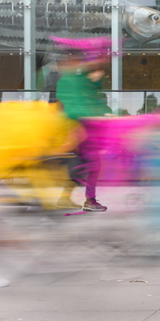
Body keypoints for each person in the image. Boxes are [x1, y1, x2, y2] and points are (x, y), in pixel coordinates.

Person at [55, 52, 112, 213]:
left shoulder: (91, 89)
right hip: (83, 134)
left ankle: (65, 198)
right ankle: (90, 201)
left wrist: (104, 114)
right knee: (93, 167)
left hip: (86, 134)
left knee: (79, 168)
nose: (100, 75)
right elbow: (74, 111)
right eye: (98, 71)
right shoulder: (78, 85)